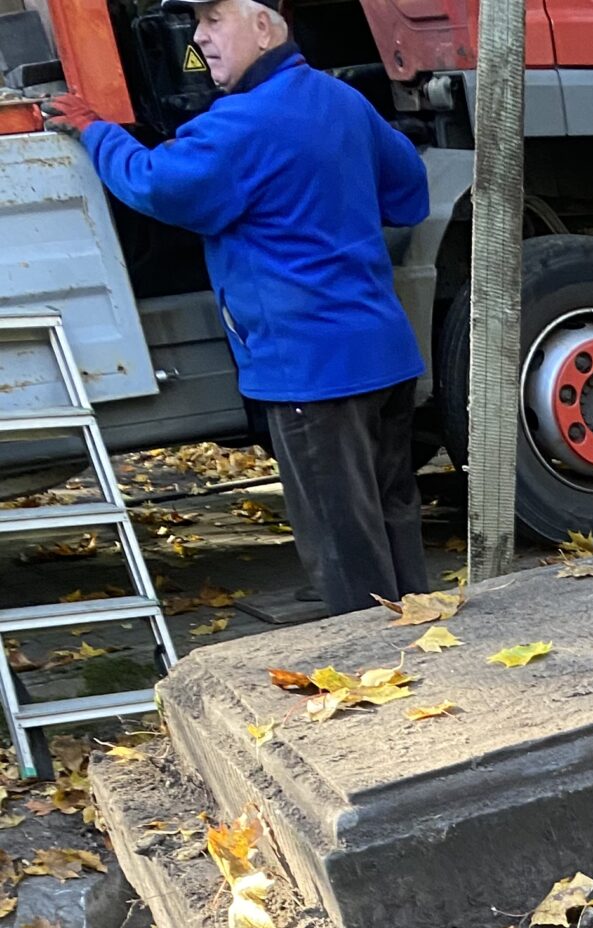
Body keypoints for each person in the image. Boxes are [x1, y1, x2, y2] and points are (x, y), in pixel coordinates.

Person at [51, 0, 435, 616]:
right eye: (196, 24)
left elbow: (156, 183)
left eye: (214, 20)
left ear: (263, 27)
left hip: (310, 370)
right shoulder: (342, 100)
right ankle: (426, 640)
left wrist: (95, 131)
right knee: (392, 518)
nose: (200, 38)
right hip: (383, 353)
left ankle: (376, 660)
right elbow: (409, 194)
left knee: (346, 552)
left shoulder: (241, 123)